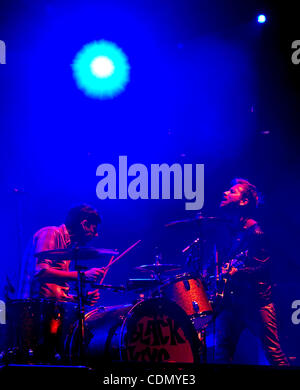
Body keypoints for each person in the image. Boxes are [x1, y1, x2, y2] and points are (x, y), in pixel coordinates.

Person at [214, 178, 289, 366]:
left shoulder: (256, 232)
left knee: (274, 354)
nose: (225, 193)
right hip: (232, 302)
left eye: (232, 191)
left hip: (257, 303)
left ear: (243, 201)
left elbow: (263, 268)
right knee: (222, 354)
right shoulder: (228, 231)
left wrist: (235, 273)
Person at [19, 204, 105, 304]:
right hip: (32, 311)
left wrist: (80, 299)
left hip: (48, 311)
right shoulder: (51, 233)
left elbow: (53, 293)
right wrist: (82, 276)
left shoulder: (67, 248)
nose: (96, 235)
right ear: (84, 225)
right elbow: (41, 272)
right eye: (94, 229)